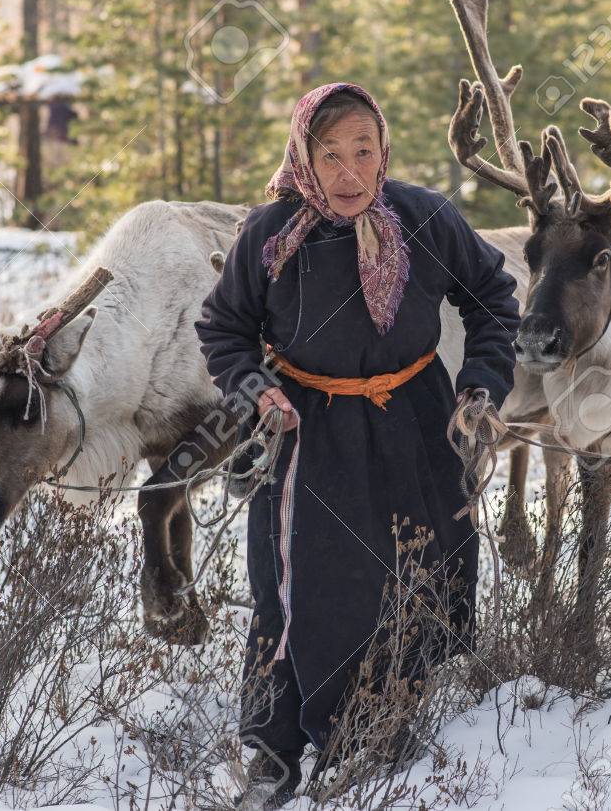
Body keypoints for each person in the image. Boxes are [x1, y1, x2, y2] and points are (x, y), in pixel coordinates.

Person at [194, 82, 520, 809]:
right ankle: (276, 750)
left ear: (383, 154)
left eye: (362, 152)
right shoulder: (272, 235)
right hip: (311, 427)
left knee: (417, 569)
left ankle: (380, 724)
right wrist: (256, 391)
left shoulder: (426, 217)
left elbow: (493, 298)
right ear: (304, 155)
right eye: (330, 154)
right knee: (296, 587)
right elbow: (223, 329)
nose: (347, 173)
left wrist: (482, 387)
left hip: (419, 418)